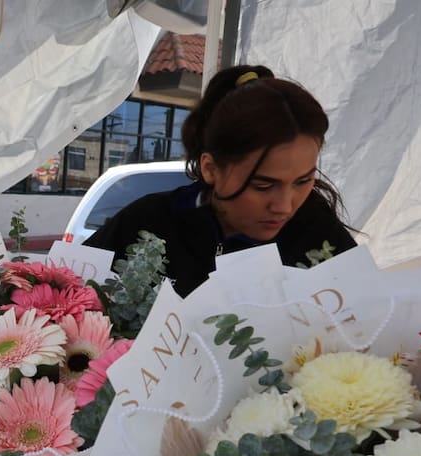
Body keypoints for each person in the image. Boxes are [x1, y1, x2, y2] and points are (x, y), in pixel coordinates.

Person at [86, 65, 357, 296]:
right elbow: (67, 296)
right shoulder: (148, 221)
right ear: (210, 168)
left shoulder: (322, 238)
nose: (284, 206)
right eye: (262, 186)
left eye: (302, 181)